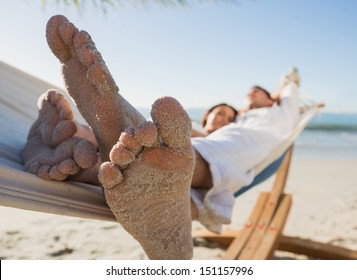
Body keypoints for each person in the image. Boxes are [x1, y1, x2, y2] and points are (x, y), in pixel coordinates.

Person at [21, 15, 301, 259]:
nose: (224, 118)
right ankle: (95, 143)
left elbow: (291, 88)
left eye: (258, 94)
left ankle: (95, 149)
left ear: (270, 99)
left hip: (216, 157)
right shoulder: (200, 130)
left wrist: (286, 85)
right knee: (153, 154)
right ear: (206, 119)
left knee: (169, 159)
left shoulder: (270, 117)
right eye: (219, 114)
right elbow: (170, 135)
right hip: (186, 165)